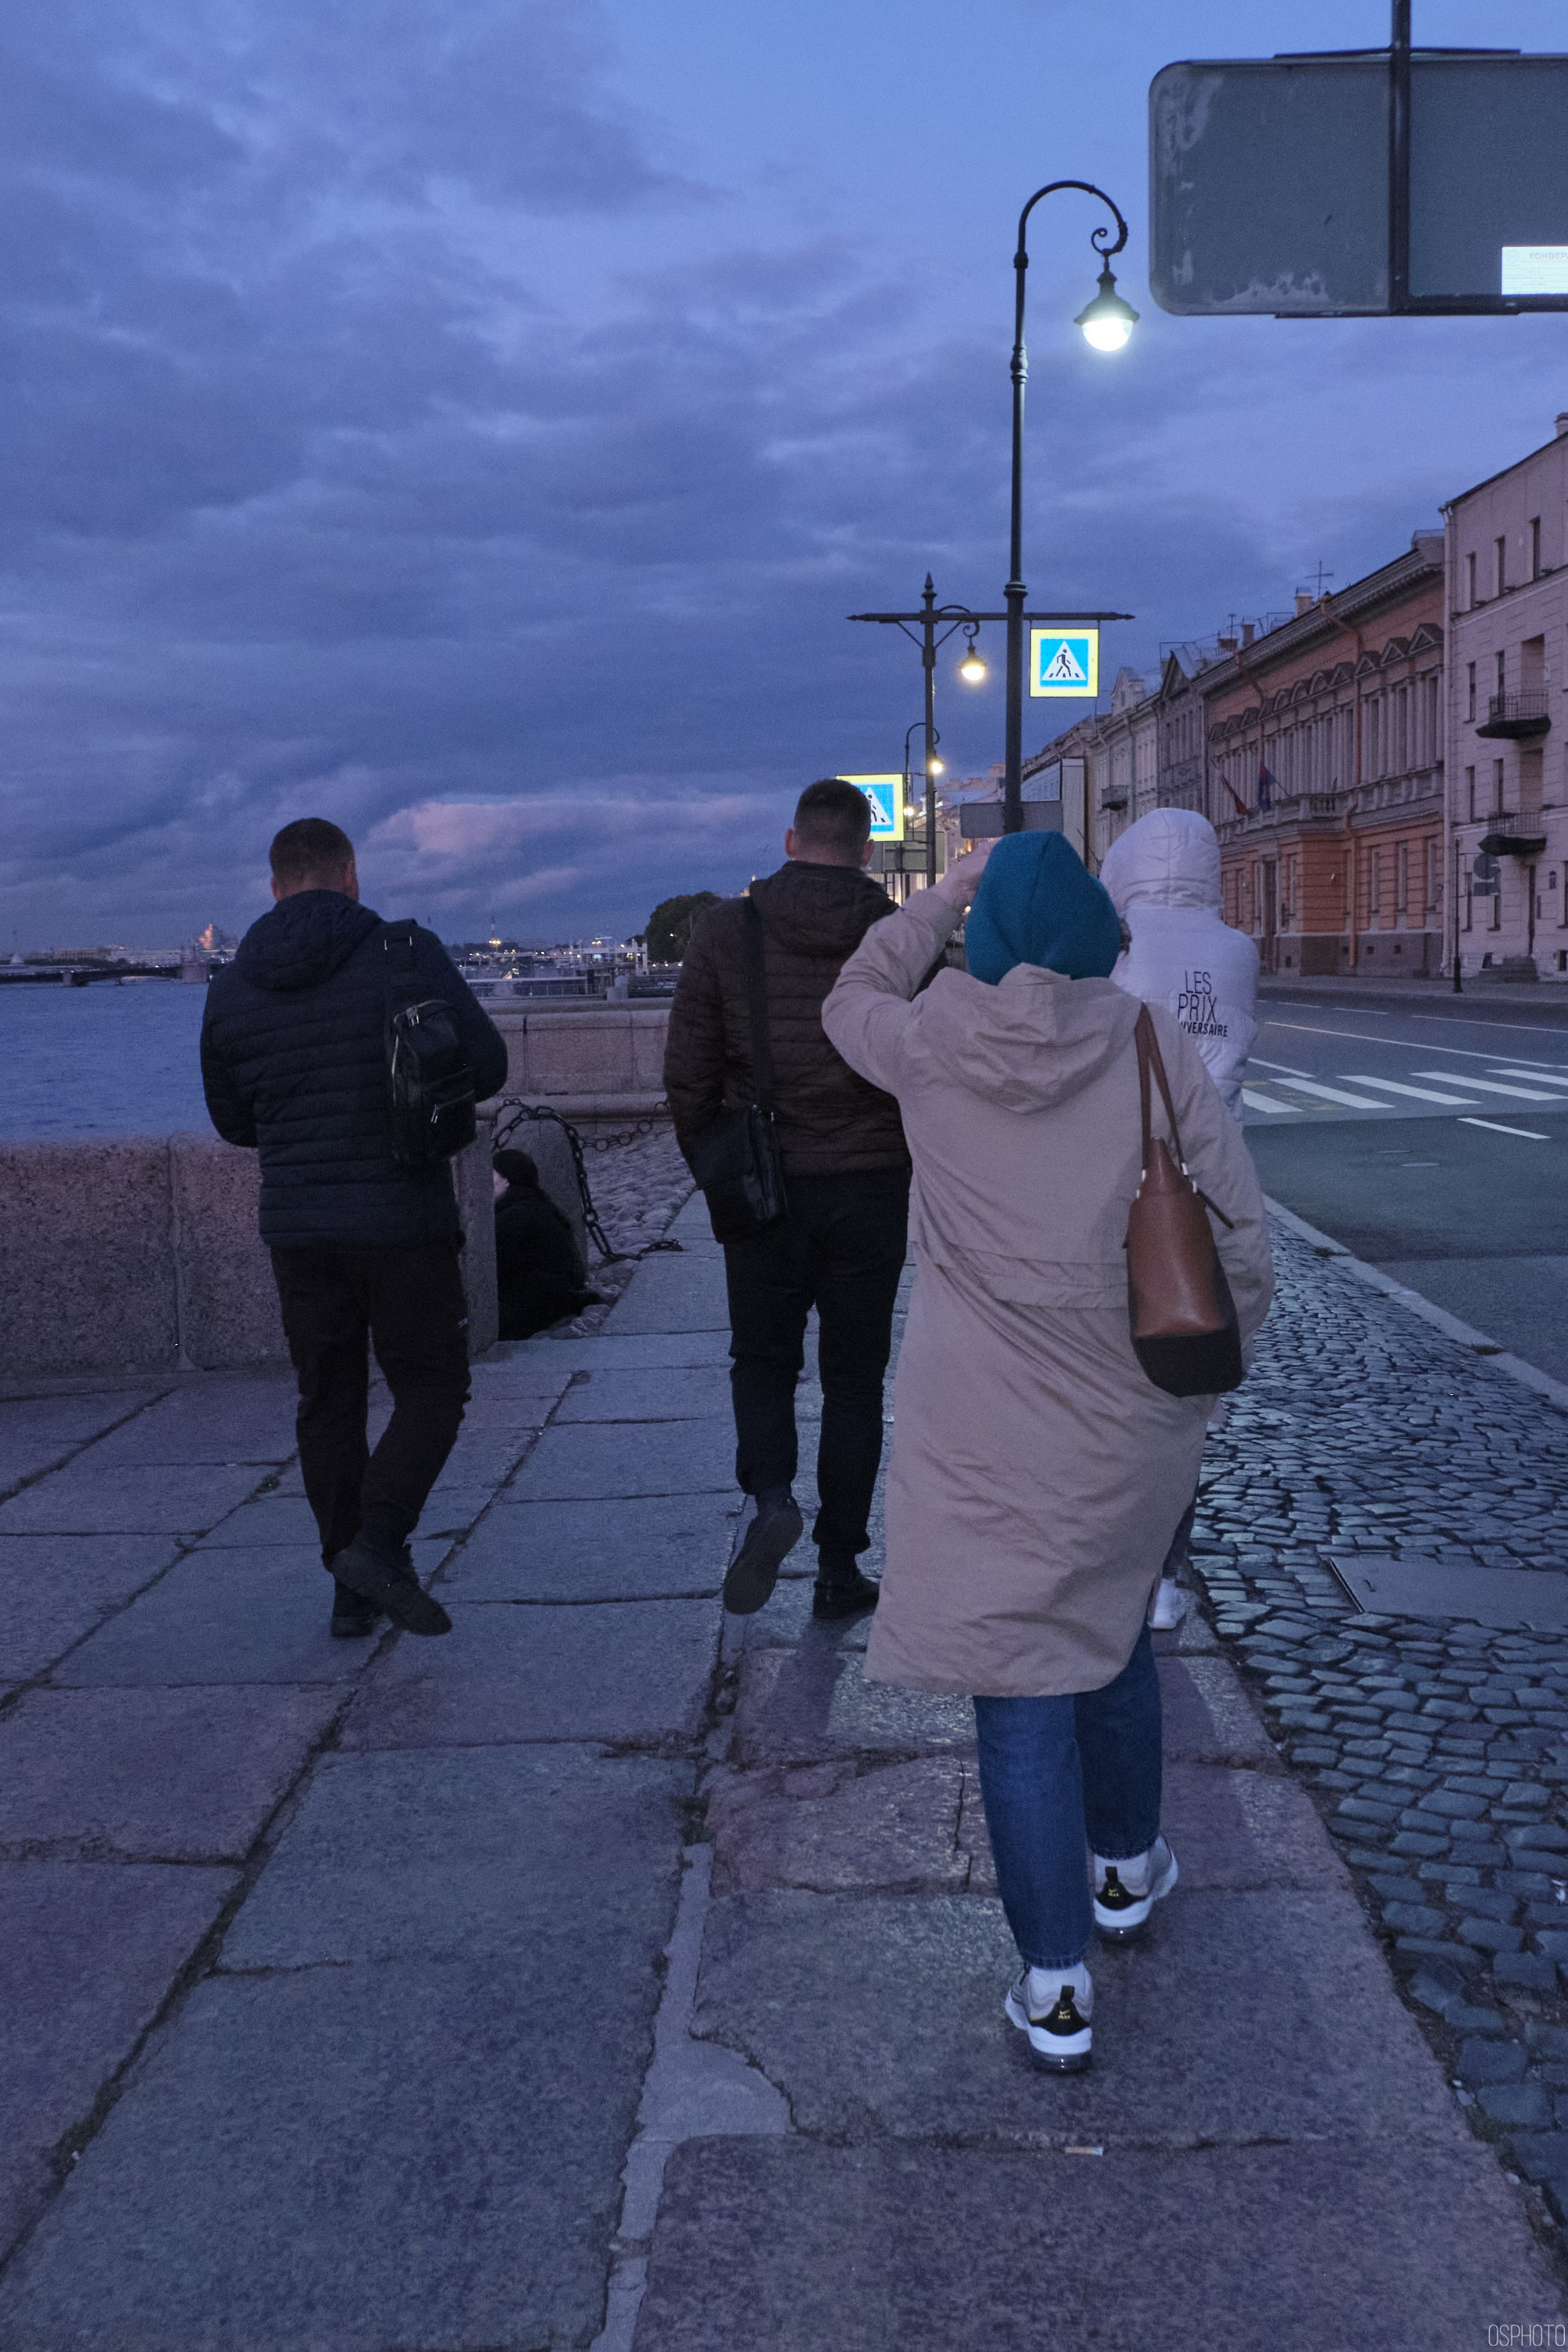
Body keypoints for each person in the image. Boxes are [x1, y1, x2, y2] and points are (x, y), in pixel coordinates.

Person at [822, 831, 1272, 2071]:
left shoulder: (929, 1048)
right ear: (1093, 934)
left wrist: (946, 895)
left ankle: (1056, 1987)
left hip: (978, 1426)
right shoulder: (1146, 1042)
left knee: (1019, 1681)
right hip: (1125, 1414)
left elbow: (851, 993)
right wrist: (1193, 1392)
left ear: (993, 939)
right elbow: (1240, 1241)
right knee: (1112, 1625)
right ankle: (1126, 1868)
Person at [201, 818, 507, 1640]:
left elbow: (232, 1122)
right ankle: (374, 1545)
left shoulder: (229, 987)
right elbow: (488, 1066)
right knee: (433, 1387)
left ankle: (350, 1587)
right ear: (350, 877)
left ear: (273, 888)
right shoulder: (404, 955)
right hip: (402, 1214)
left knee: (327, 1402)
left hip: (298, 1227)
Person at [663, 778, 910, 1622]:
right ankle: (840, 1569)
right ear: (867, 849)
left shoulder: (726, 932)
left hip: (763, 1186)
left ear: (789, 841)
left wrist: (713, 1163)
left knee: (762, 1362)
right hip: (872, 1184)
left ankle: (771, 1499)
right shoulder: (895, 933)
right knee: (853, 1382)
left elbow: (686, 1075)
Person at [1098, 808, 1261, 1626]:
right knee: (1187, 1394)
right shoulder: (1237, 953)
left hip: (1128, 1187)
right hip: (1212, 1189)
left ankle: (1121, 1559)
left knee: (1118, 1383)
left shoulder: (1119, 950)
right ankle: (1169, 1571)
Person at [493, 1146, 601, 1338]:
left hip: (538, 1303)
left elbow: (496, 1267)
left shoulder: (515, 1215)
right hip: (555, 1294)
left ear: (506, 1179)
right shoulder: (538, 1205)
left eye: (492, 1174)